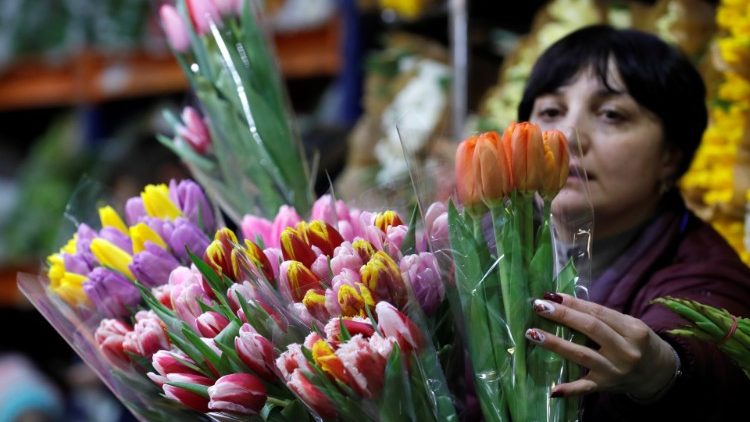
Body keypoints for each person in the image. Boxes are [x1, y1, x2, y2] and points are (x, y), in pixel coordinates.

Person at [517, 24, 750, 421]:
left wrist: (664, 370)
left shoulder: (706, 272)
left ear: (670, 157)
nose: (569, 138)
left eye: (611, 114)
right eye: (551, 112)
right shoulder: (483, 243)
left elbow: (714, 368)